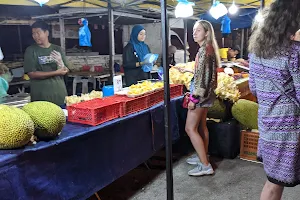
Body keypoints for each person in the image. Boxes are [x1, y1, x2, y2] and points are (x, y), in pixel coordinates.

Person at [248, 1, 300, 199]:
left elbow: (253, 88)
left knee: (274, 181)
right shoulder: (294, 52)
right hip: (289, 127)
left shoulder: (256, 52)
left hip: (268, 122)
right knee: (274, 184)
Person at [183, 20, 220, 176]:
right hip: (207, 94)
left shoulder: (205, 51)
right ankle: (203, 156)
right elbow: (205, 74)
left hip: (201, 95)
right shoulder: (208, 49)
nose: (194, 33)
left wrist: (194, 98)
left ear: (206, 33)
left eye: (198, 30)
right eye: (194, 30)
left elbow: (203, 80)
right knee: (201, 127)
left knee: (190, 128)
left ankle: (205, 165)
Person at [24, 21, 69, 106]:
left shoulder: (57, 49)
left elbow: (66, 70)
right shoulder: (31, 50)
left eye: (38, 33)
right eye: (33, 34)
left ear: (46, 33)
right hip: (40, 98)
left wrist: (60, 62)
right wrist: (56, 72)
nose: (35, 36)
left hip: (59, 96)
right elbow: (32, 74)